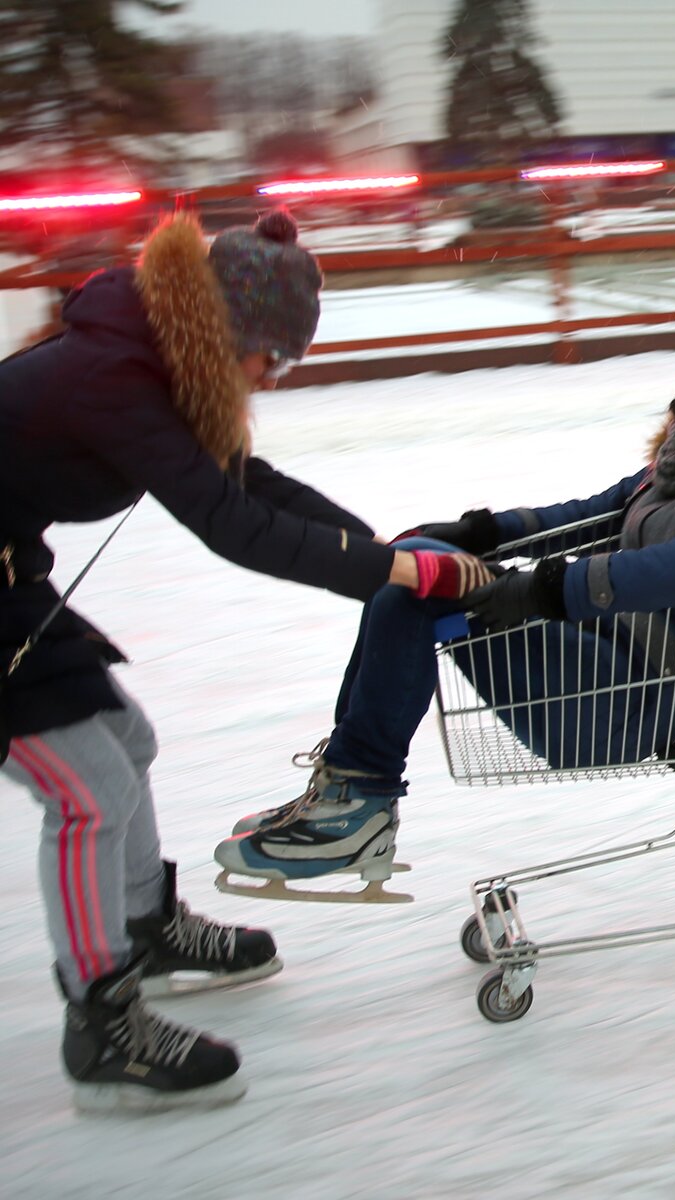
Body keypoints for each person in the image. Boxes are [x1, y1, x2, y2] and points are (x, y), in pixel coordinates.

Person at [0, 208, 487, 1112]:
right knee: (86, 792)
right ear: (229, 330)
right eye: (276, 357)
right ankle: (103, 1027)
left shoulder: (149, 359)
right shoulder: (116, 373)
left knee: (123, 738)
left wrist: (377, 550)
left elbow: (244, 482)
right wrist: (390, 570)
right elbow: (234, 527)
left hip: (7, 575)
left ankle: (143, 930)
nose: (274, 378)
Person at [214, 319, 675, 888]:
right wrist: (483, 531)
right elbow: (586, 516)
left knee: (419, 586)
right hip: (606, 668)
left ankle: (356, 803)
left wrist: (540, 590)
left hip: (634, 699)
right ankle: (348, 786)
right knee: (423, 567)